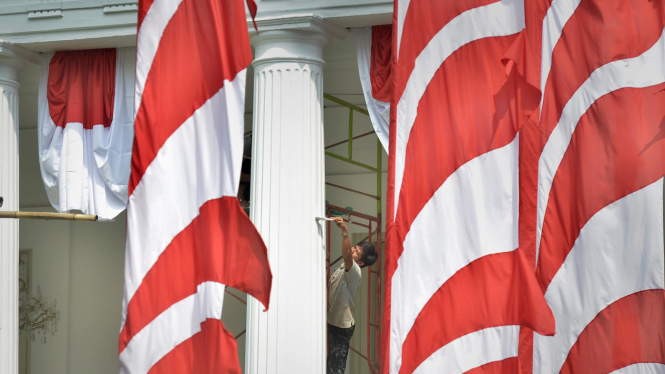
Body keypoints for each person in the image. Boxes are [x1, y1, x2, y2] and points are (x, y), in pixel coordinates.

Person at [327, 216, 378, 374]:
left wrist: (344, 231)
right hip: (334, 320)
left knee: (335, 367)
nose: (352, 251)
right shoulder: (343, 267)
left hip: (342, 325)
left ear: (360, 263)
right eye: (354, 247)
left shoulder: (354, 269)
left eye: (356, 252)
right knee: (329, 361)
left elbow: (347, 255)